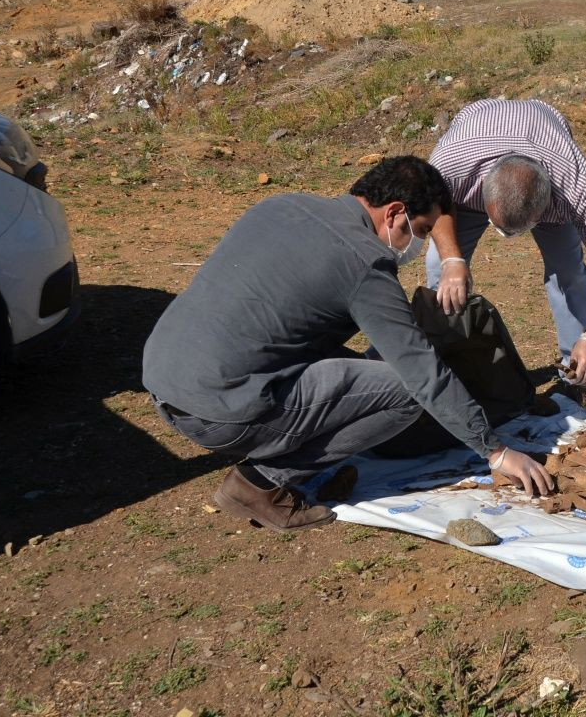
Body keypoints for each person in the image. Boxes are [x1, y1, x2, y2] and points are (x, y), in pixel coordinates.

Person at [142, 156, 553, 531]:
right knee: (404, 394)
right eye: (422, 230)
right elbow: (421, 373)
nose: (419, 242)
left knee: (363, 371)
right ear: (394, 212)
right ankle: (261, 482)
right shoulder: (365, 263)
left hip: (164, 379)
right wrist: (494, 451)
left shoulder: (283, 205)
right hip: (218, 412)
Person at [425, 99, 586, 409]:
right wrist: (452, 260)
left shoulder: (575, 186)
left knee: (569, 273)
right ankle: (447, 374)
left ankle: (578, 374)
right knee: (438, 266)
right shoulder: (452, 165)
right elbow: (431, 204)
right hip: (473, 153)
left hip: (546, 143)